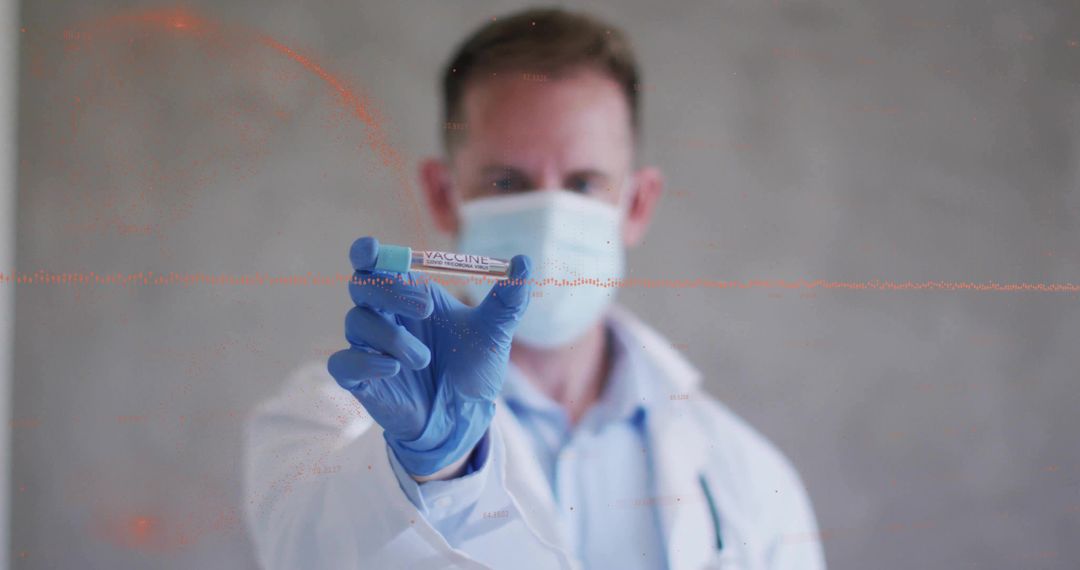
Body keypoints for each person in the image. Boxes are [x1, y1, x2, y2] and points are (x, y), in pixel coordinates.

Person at [243, 7, 826, 570]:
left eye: (582, 183)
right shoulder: (333, 413)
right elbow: (307, 550)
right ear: (444, 196)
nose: (550, 218)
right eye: (507, 181)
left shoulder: (751, 478)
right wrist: (430, 468)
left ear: (637, 204)